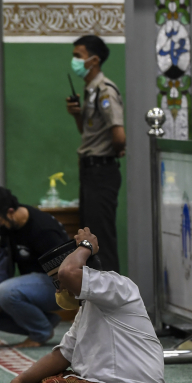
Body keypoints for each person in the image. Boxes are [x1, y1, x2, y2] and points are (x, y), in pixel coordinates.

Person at [0, 228, 167, 383]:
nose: (58, 289)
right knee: (42, 381)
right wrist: (20, 380)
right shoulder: (86, 309)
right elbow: (61, 356)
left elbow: (67, 273)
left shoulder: (119, 287)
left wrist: (86, 246)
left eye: (57, 283)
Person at [66, 35, 125, 273]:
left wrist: (115, 149)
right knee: (89, 238)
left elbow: (119, 135)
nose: (74, 61)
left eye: (78, 56)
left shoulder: (104, 90)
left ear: (94, 60)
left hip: (102, 170)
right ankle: (96, 302)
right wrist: (77, 115)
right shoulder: (90, 92)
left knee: (101, 240)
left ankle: (114, 304)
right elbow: (89, 132)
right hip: (91, 171)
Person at [0, 187, 68, 348]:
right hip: (32, 285)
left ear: (10, 212)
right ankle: (46, 321)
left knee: (5, 291)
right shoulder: (9, 226)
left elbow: (66, 272)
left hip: (59, 286)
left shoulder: (43, 229)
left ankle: (40, 332)